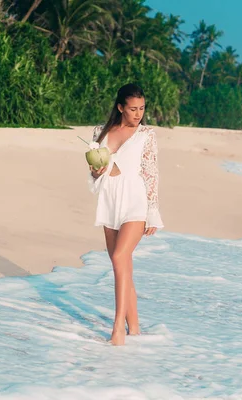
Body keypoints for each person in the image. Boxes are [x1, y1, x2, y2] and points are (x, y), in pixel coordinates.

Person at [87, 83, 164, 346]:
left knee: (120, 256)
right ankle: (136, 328)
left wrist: (153, 211)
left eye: (142, 108)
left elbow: (151, 172)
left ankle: (118, 327)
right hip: (110, 199)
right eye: (132, 109)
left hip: (135, 199)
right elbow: (96, 168)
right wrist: (96, 172)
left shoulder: (146, 135)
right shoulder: (101, 132)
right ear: (120, 107)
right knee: (121, 265)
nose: (138, 114)